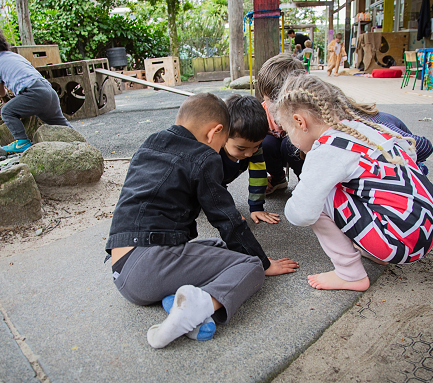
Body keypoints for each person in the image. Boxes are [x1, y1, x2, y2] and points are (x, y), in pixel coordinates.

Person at [105, 93, 298, 349]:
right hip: (148, 266)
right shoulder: (204, 157)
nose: (219, 151)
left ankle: (178, 301)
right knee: (249, 266)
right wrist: (263, 262)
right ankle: (202, 305)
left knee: (218, 248)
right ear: (214, 132)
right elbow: (227, 220)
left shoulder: (152, 142)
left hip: (123, 270)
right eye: (222, 141)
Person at [273, 73, 433, 292]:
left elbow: (301, 214)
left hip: (401, 242)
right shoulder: (359, 129)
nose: (291, 140)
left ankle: (349, 274)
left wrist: (295, 202)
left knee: (318, 197)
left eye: (287, 132)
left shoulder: (327, 149)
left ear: (299, 121)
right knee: (346, 188)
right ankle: (376, 252)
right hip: (424, 231)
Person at [256, 53, 433, 174]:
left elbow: (424, 146)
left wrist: (391, 165)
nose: (279, 121)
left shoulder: (354, 120)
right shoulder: (318, 121)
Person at [0, 27, 71, 154]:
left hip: (33, 93)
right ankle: (79, 141)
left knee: (7, 111)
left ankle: (22, 141)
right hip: (48, 91)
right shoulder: (14, 56)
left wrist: (2, 94)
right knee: (60, 124)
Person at [221, 94, 280, 224]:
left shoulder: (251, 147)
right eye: (241, 148)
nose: (249, 154)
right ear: (222, 134)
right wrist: (227, 211)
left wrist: (257, 208)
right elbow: (212, 186)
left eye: (256, 146)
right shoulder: (211, 152)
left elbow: (258, 175)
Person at [256, 54, 306, 195]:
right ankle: (278, 178)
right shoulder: (262, 113)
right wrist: (259, 178)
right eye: (271, 100)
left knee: (290, 144)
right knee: (265, 143)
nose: (278, 108)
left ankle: (306, 181)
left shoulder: (306, 114)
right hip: (273, 153)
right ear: (263, 96)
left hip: (296, 153)